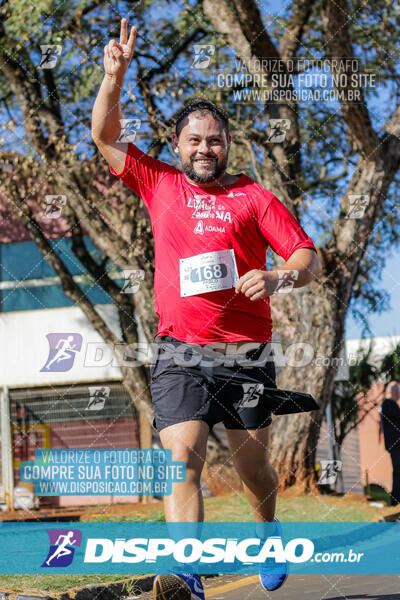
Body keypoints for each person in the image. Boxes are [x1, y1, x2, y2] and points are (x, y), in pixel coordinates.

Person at [91, 18, 322, 600]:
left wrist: (277, 277)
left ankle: (267, 532)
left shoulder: (254, 196)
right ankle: (187, 574)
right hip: (180, 351)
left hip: (246, 354)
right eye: (194, 140)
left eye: (214, 140)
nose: (204, 148)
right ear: (178, 146)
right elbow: (105, 136)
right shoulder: (159, 182)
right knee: (182, 459)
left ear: (227, 146)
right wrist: (112, 79)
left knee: (254, 472)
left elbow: (307, 258)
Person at [379, 381, 400, 507]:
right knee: (398, 472)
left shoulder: (389, 405)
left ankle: (396, 500)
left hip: (394, 444)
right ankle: (395, 500)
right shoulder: (388, 404)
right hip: (396, 445)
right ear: (394, 391)